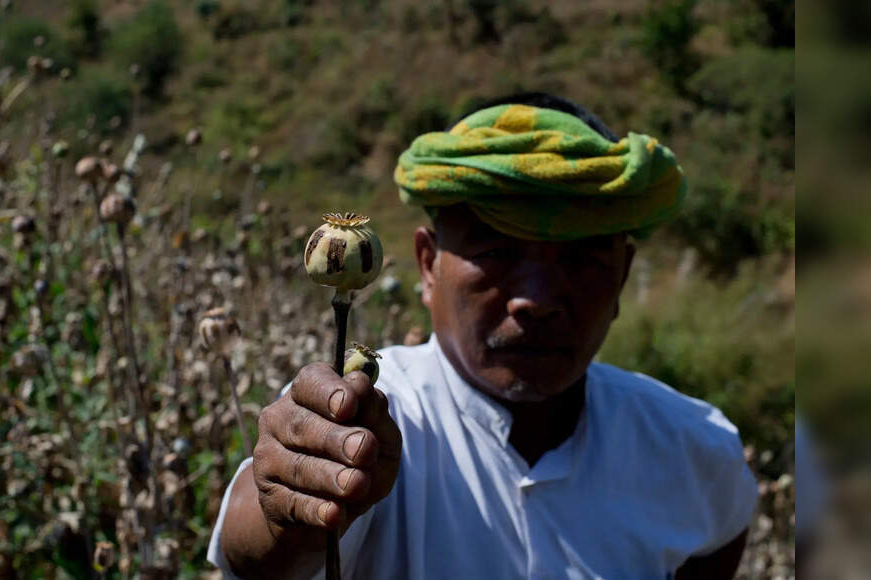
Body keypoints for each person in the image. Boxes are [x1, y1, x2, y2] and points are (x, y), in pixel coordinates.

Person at [206, 93, 759, 578]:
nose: (536, 301)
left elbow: (721, 537)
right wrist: (289, 506)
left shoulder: (694, 448)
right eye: (496, 252)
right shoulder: (368, 415)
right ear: (428, 266)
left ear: (623, 276)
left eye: (581, 259)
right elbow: (256, 552)